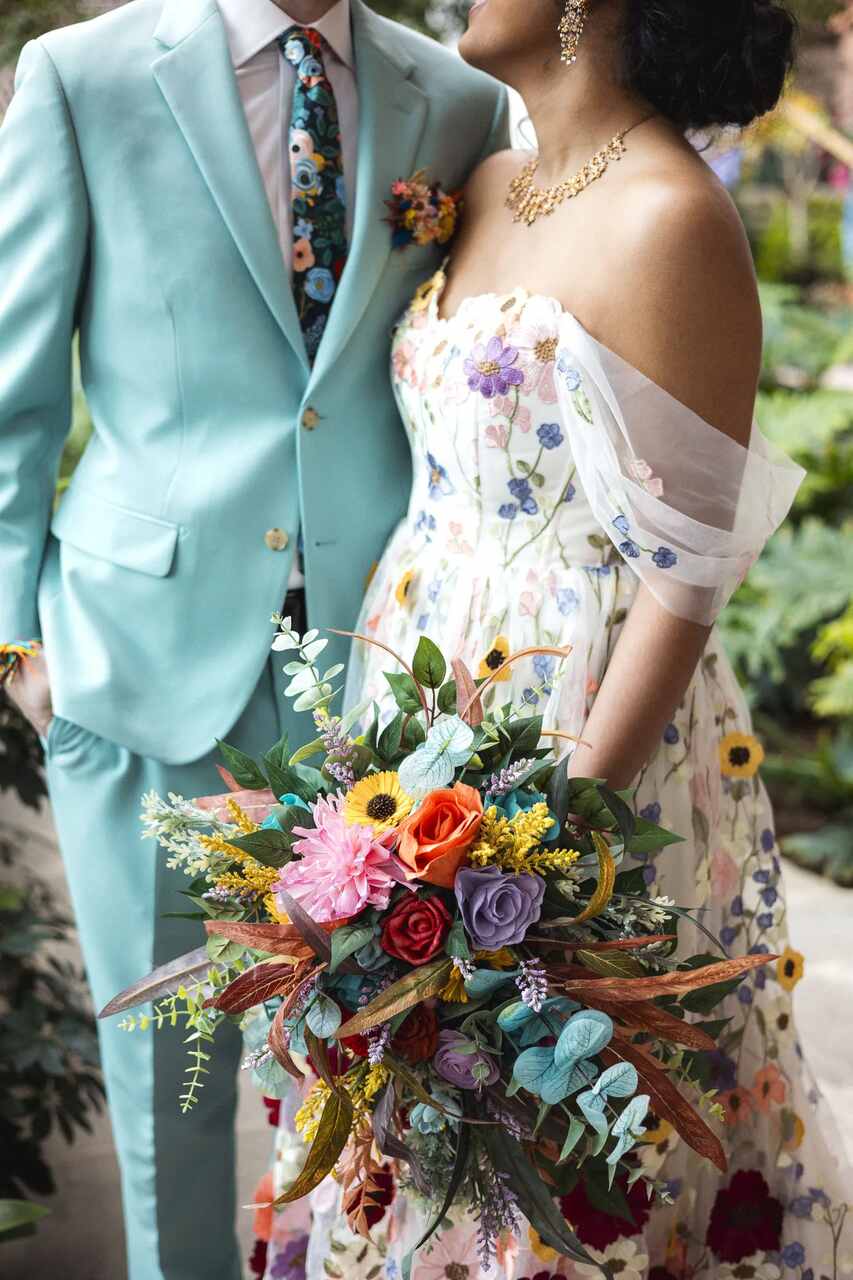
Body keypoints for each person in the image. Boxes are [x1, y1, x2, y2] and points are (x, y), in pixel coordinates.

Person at [263, 1, 853, 1277]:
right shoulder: (481, 182)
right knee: (405, 1102)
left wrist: (556, 839)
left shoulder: (673, 217)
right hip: (411, 695)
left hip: (580, 718)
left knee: (554, 1112)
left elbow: (687, 579)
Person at [0, 0, 508, 1275]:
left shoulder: (452, 97)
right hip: (134, 660)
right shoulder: (83, 77)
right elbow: (12, 395)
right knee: (169, 1077)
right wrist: (11, 648)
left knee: (379, 1077)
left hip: (379, 671)